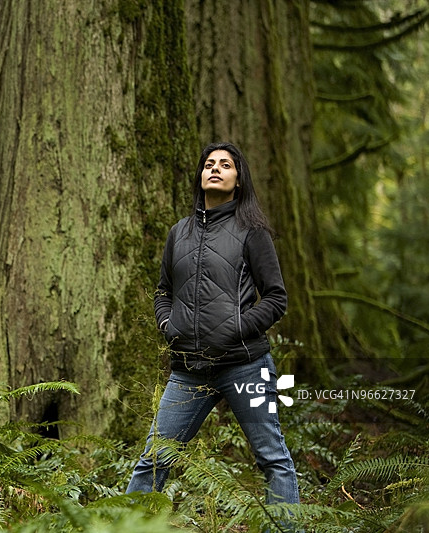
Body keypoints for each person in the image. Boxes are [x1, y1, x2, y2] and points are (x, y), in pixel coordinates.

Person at [125, 141, 300, 506]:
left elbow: (276, 298)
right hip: (188, 370)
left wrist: (236, 328)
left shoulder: (253, 232)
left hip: (245, 366)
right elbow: (163, 293)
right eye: (209, 164)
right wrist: (168, 325)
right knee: (153, 461)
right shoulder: (179, 233)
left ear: (238, 180)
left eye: (225, 164)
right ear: (201, 175)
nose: (215, 168)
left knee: (273, 460)